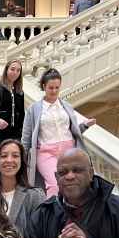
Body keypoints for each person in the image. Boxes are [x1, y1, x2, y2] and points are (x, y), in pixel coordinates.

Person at [21, 68, 96, 197]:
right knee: (55, 185)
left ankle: (73, 214)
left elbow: (72, 131)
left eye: (57, 87)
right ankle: (54, 215)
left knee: (75, 184)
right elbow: (27, 136)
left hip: (69, 151)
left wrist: (84, 125)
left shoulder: (66, 106)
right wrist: (22, 158)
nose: (54, 91)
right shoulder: (34, 109)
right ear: (44, 86)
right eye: (51, 88)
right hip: (45, 153)